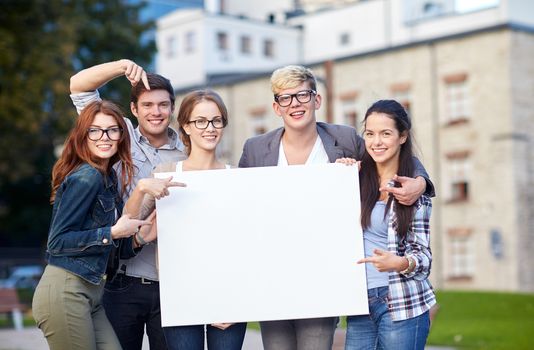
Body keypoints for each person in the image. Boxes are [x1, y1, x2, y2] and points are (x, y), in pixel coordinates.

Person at [238, 65, 434, 350]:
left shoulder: (343, 140)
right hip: (276, 280)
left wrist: (421, 182)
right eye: (286, 98)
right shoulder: (255, 149)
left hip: (326, 282)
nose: (295, 104)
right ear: (276, 107)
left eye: (303, 95)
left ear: (317, 100)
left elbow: (388, 152)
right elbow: (240, 207)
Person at [70, 59, 186, 350]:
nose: (156, 112)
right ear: (134, 110)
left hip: (171, 284)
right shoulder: (116, 136)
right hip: (122, 279)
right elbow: (78, 86)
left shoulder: (189, 150)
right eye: (147, 105)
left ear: (172, 108)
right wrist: (122, 66)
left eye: (163, 105)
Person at [126, 89, 247, 350]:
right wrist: (141, 189)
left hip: (228, 295)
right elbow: (129, 221)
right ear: (185, 126)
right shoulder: (165, 173)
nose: (210, 128)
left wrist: (237, 300)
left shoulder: (237, 177)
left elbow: (246, 244)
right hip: (180, 295)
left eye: (217, 121)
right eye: (200, 121)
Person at [32, 100, 157, 350]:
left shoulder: (107, 177)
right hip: (67, 290)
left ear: (121, 135)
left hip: (92, 293)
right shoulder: (86, 177)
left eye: (113, 130)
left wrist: (139, 238)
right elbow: (57, 243)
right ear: (83, 135)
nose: (105, 137)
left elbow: (110, 248)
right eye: (95, 130)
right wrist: (111, 232)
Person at [342, 100, 436, 350]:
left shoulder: (414, 192)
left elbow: (424, 258)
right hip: (360, 303)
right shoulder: (354, 182)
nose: (377, 142)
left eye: (386, 133)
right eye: (370, 134)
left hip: (401, 302)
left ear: (402, 136)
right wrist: (339, 174)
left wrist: (400, 263)